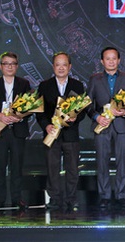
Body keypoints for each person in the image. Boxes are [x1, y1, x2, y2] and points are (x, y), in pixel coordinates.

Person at [88, 47, 125, 209]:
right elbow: (87, 105)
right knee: (102, 161)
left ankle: (121, 195)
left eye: (114, 58)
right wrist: (97, 117)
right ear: (102, 61)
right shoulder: (95, 79)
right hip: (102, 126)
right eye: (107, 59)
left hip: (122, 126)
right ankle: (105, 196)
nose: (111, 61)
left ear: (119, 60)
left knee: (122, 162)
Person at [36, 52, 85, 211]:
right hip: (52, 134)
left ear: (70, 67)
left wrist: (75, 118)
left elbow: (83, 110)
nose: (61, 68)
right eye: (58, 64)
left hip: (71, 134)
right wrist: (46, 126)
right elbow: (39, 111)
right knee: (52, 167)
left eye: (64, 64)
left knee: (72, 168)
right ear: (53, 67)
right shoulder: (44, 85)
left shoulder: (77, 85)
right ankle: (55, 199)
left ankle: (71, 198)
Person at [0, 51, 32, 209]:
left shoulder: (24, 83)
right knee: (0, 166)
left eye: (13, 64)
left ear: (17, 66)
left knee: (17, 166)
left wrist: (20, 116)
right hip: (0, 131)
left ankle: (17, 198)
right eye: (6, 64)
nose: (9, 66)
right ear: (0, 66)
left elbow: (30, 107)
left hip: (18, 130)